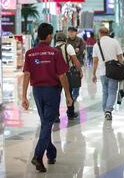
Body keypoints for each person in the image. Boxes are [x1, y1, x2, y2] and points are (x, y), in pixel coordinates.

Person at [21, 23, 72, 173]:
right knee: (47, 123)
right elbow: (62, 75)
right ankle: (38, 155)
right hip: (52, 91)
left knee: (45, 123)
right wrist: (68, 95)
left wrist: (23, 96)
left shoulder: (29, 53)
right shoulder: (54, 53)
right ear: (49, 36)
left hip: (37, 91)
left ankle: (51, 153)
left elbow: (26, 75)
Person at [92, 27, 123, 121]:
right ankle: (108, 111)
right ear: (108, 33)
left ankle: (105, 110)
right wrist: (121, 67)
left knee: (105, 92)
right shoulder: (115, 42)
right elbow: (120, 57)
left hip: (102, 72)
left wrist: (93, 74)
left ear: (99, 33)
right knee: (112, 91)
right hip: (113, 71)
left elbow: (95, 61)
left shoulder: (96, 45)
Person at [55, 32, 83, 121]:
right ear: (65, 39)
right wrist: (80, 71)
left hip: (56, 75)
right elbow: (75, 61)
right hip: (67, 73)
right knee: (69, 93)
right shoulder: (68, 46)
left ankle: (56, 116)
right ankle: (70, 114)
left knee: (56, 95)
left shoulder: (53, 48)